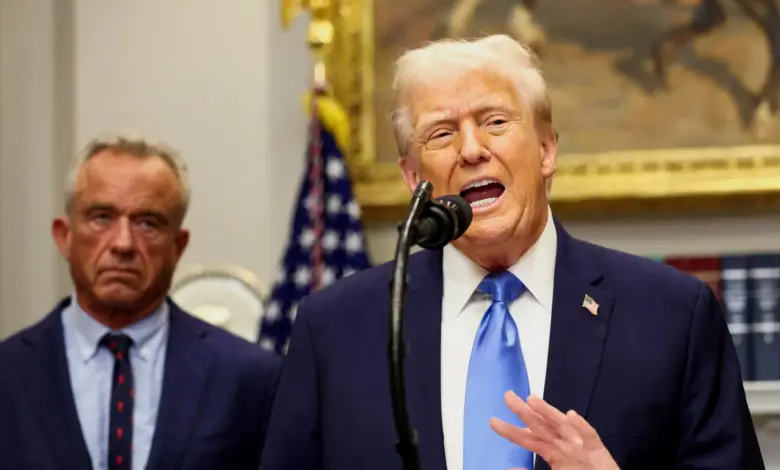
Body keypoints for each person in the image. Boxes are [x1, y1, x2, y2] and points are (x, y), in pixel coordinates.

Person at [258, 34, 764, 470]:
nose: (471, 149)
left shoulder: (671, 316)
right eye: (441, 133)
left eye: (496, 122)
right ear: (413, 178)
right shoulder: (336, 330)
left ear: (546, 151)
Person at [0, 134, 281, 470]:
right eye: (101, 217)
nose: (123, 244)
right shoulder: (8, 372)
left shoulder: (249, 378)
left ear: (178, 247)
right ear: (65, 236)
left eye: (148, 223)